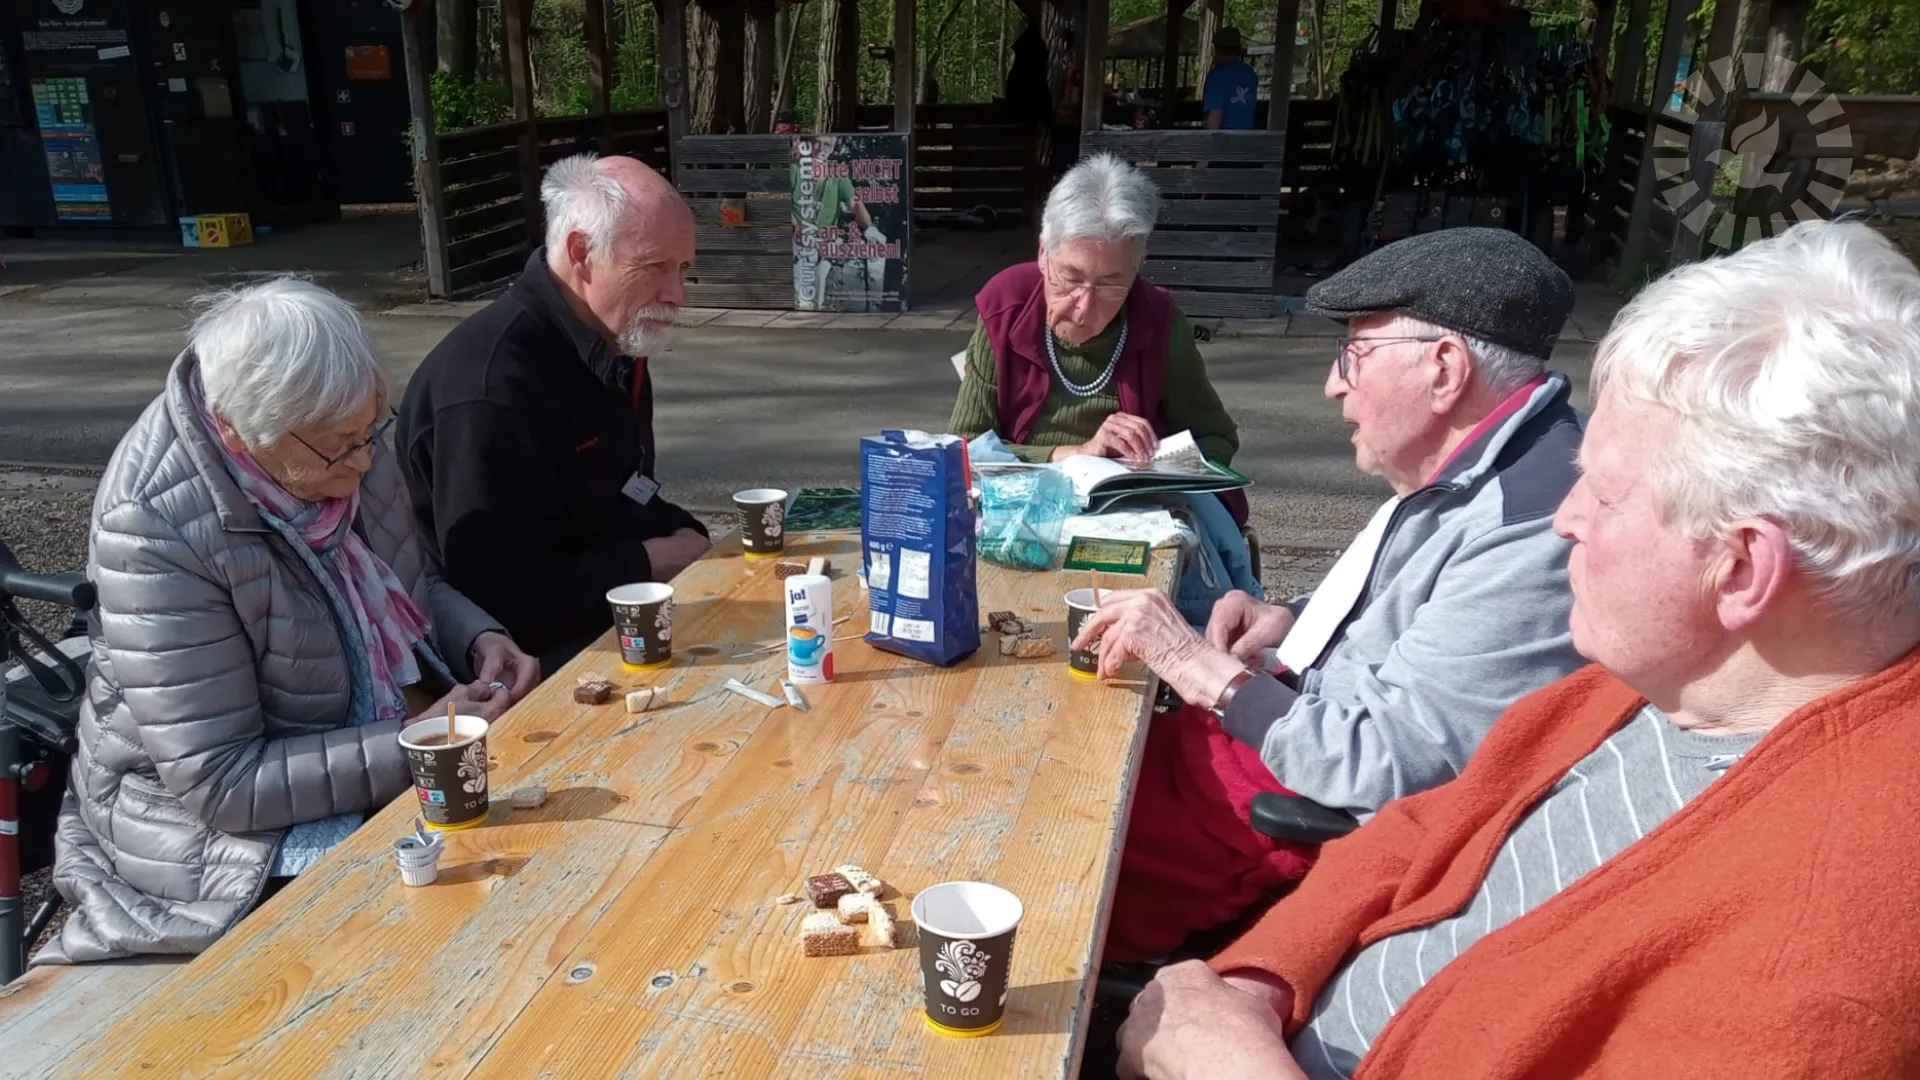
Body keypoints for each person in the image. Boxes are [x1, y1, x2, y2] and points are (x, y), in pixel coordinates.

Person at [1115, 219, 1920, 1080]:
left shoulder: (1818, 953)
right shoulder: (1657, 687)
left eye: (1604, 496)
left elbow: (1388, 776)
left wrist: (1235, 1068)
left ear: (1741, 568)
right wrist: (1263, 979)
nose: (1565, 519)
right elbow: (1424, 828)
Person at [1077, 227, 1584, 963]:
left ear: (1445, 368)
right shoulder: (1494, 460)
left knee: (1041, 852)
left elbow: (1386, 769)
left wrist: (1196, 666)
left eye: (1355, 354)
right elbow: (1413, 611)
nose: (1333, 382)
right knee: (1060, 758)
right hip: (1271, 735)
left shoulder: (1535, 531)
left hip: (1283, 814)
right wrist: (1294, 618)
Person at [36, 279, 537, 965]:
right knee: (441, 933)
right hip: (209, 840)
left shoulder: (334, 434)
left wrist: (479, 635)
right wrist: (417, 744)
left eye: (371, 434)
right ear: (243, 430)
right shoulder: (153, 527)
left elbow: (406, 588)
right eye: (342, 447)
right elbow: (222, 783)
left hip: (358, 739)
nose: (364, 463)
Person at [397, 154, 710, 674]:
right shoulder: (491, 386)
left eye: (684, 270)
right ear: (581, 252)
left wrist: (691, 536)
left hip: (607, 611)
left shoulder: (617, 341)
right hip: (518, 662)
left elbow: (627, 494)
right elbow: (494, 595)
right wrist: (647, 562)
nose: (676, 295)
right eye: (655, 267)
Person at [1202, 27, 1259, 131]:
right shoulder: (1250, 74)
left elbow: (1214, 119)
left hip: (1225, 142)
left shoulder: (1217, 75)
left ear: (1217, 48)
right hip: (1249, 139)